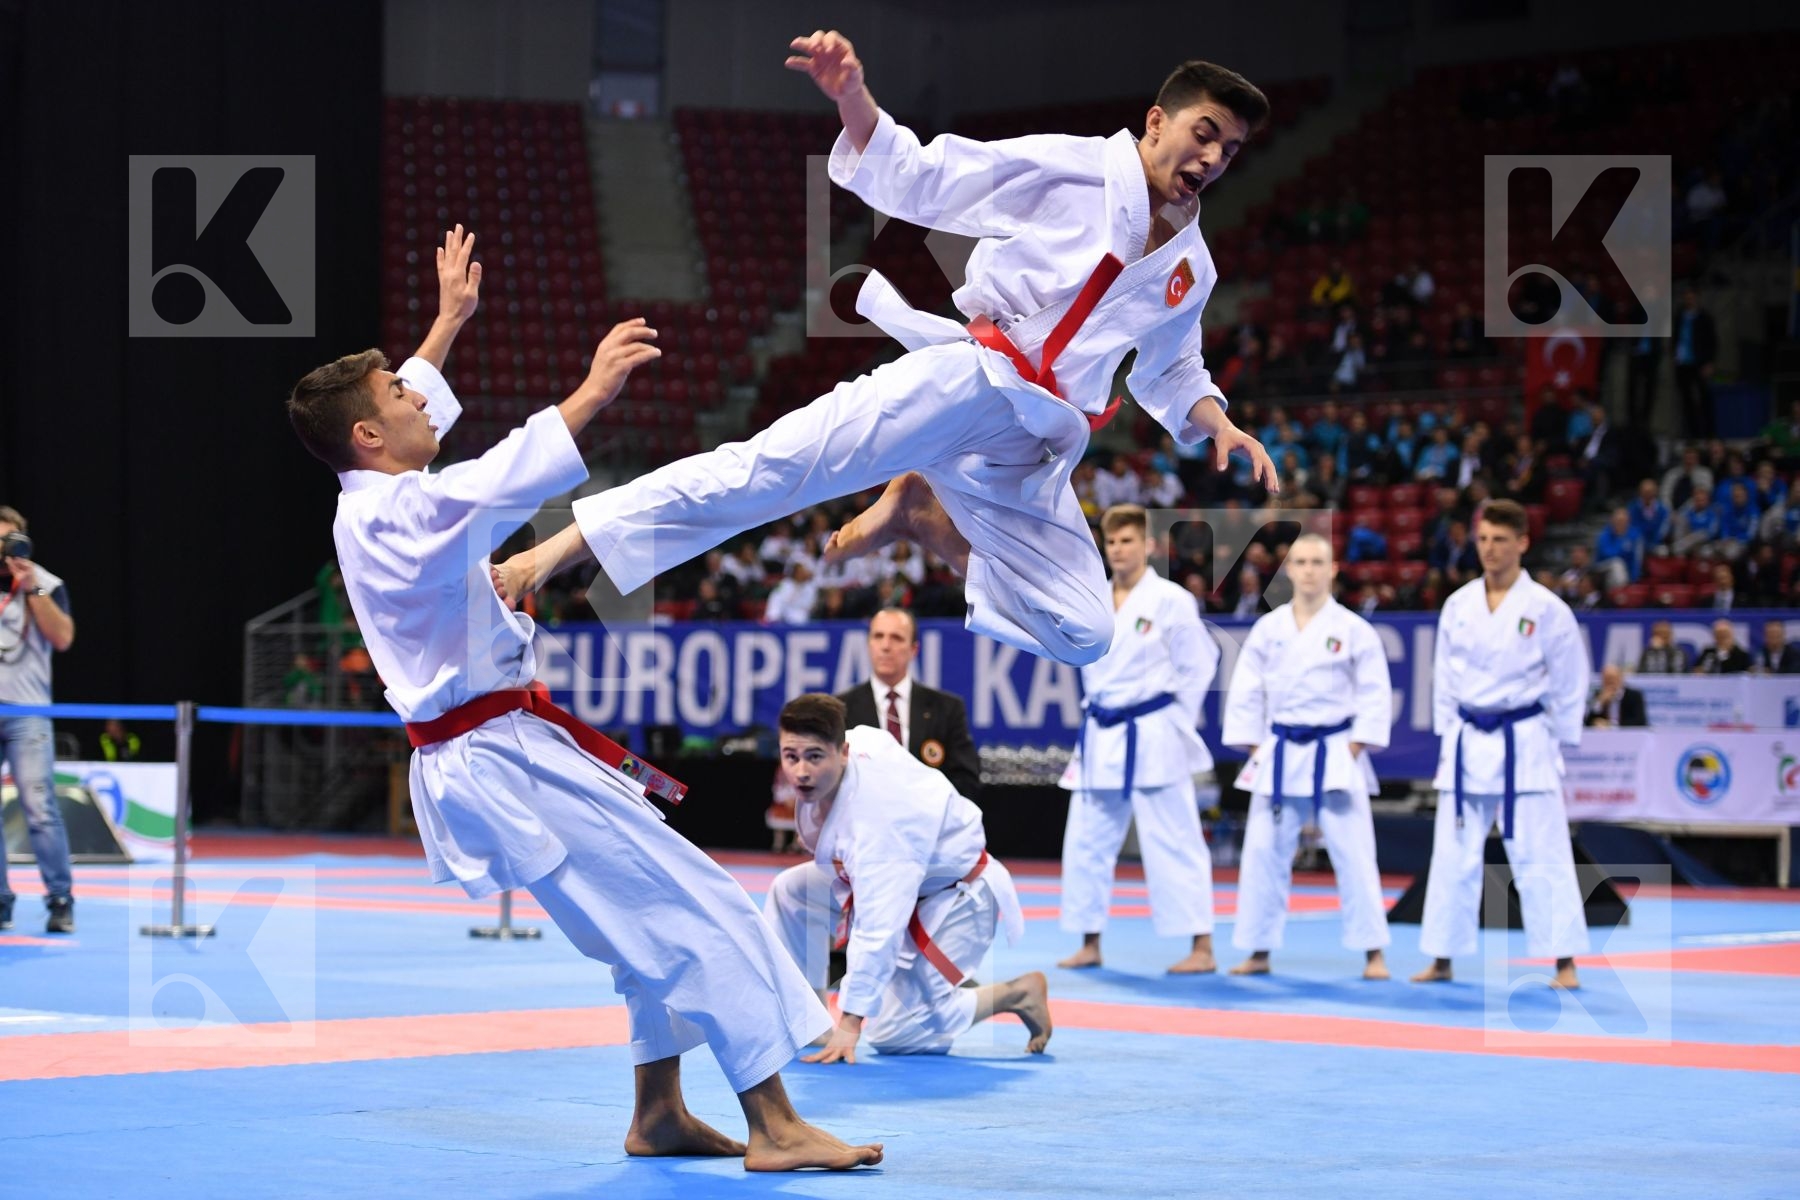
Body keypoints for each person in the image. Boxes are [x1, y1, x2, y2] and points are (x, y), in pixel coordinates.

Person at [289, 227, 879, 1172]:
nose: (416, 392)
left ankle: (658, 1114)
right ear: (367, 435)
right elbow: (489, 483)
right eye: (397, 394)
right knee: (699, 904)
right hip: (500, 756)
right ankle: (775, 1125)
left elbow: (420, 423)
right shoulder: (393, 510)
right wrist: (590, 394)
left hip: (502, 746)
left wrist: (445, 326)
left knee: (645, 918)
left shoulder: (375, 497)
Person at [493, 33, 1277, 671]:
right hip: (969, 378)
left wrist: (1219, 424)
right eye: (1203, 133)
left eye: (1230, 150)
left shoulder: (1192, 268)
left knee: (1087, 633)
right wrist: (852, 99)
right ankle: (546, 557)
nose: (1210, 159)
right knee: (761, 472)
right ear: (1155, 123)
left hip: (1035, 444)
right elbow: (934, 180)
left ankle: (925, 519)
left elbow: (1173, 368)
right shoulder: (1076, 168)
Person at [762, 694, 1047, 1062]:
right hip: (908, 877)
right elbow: (879, 743)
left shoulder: (878, 827)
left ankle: (1015, 993)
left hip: (958, 896)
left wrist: (851, 1024)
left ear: (842, 751)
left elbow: (878, 929)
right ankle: (809, 1021)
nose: (801, 771)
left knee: (895, 1034)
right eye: (791, 756)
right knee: (792, 891)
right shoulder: (861, 743)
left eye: (815, 757)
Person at [1413, 500, 1590, 990]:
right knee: (1453, 855)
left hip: (1524, 743)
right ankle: (1442, 957)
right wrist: (1450, 737)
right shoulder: (1459, 604)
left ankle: (1564, 962)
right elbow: (1444, 679)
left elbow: (1571, 682)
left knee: (1543, 854)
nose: (1489, 549)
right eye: (1483, 539)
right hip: (1469, 742)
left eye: (1499, 540)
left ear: (1523, 543)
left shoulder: (1548, 609)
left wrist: (1555, 740)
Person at [1221, 533, 1393, 979]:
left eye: (1318, 561)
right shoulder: (1269, 628)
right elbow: (1245, 691)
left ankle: (1373, 951)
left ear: (1333, 569)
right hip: (1279, 753)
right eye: (1301, 562)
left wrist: (1354, 747)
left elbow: (1375, 694)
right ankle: (1258, 950)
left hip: (1335, 751)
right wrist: (1258, 747)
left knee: (1354, 853)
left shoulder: (1355, 629)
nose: (1310, 569)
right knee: (1262, 853)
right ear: (1289, 570)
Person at [1057, 506, 1220, 974]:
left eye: (1127, 541)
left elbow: (1199, 663)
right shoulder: (1091, 600)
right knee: (1087, 841)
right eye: (1111, 543)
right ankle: (1089, 941)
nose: (1118, 550)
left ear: (1148, 545)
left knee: (1176, 838)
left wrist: (1174, 718)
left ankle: (1202, 946)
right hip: (1101, 732)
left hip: (1153, 730)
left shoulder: (1171, 600)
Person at [0, 504, 77, 934]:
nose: (3, 549)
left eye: (9, 540)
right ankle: (0, 901)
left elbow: (62, 638)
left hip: (27, 713)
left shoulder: (46, 583)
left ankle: (60, 899)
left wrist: (31, 590)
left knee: (39, 808)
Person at [835, 607, 980, 799]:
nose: (886, 646)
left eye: (896, 638)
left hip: (928, 822)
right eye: (878, 636)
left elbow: (966, 780)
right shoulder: (840, 708)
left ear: (913, 650)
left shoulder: (946, 709)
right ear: (869, 644)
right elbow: (831, 776)